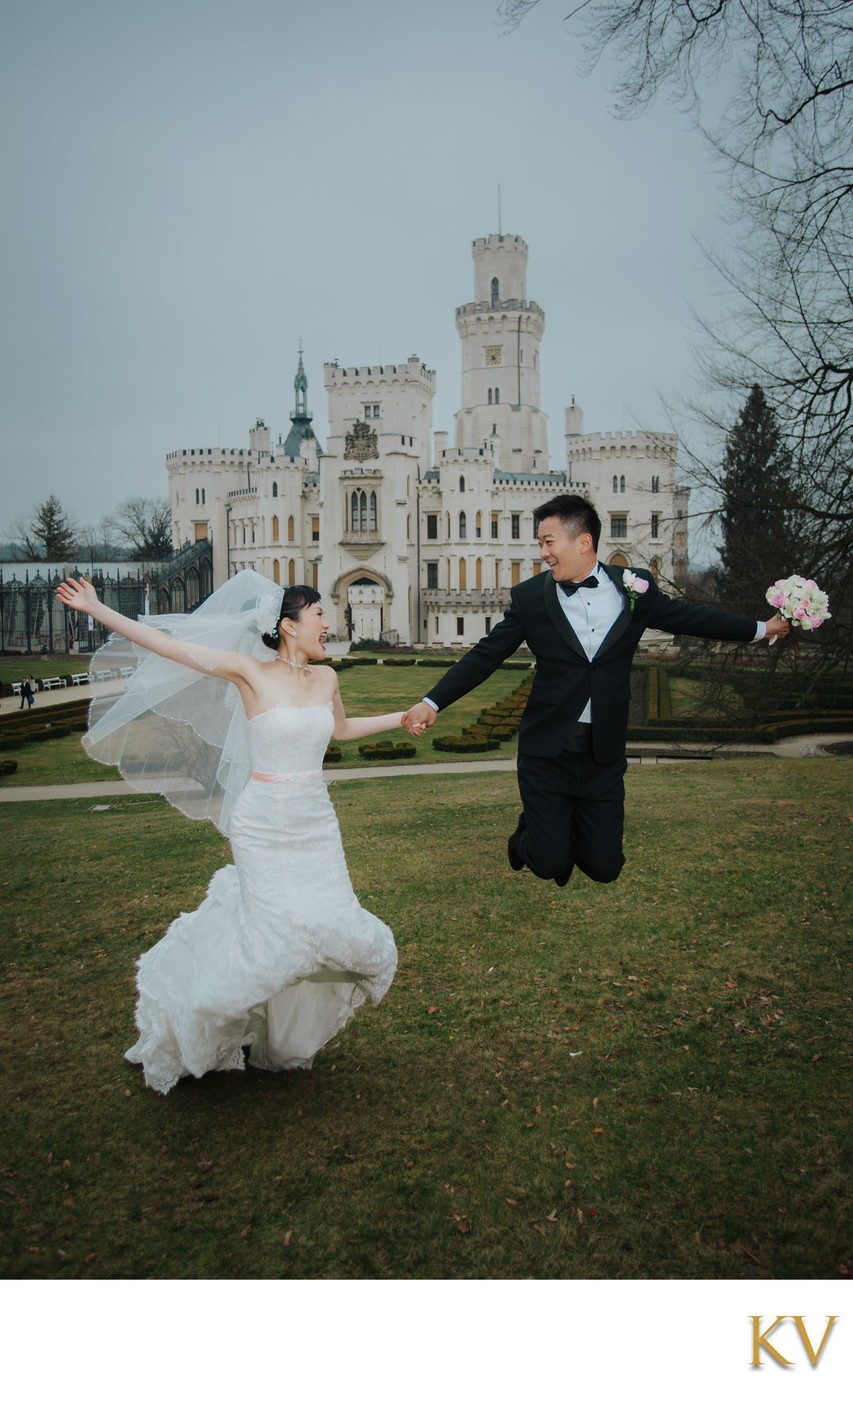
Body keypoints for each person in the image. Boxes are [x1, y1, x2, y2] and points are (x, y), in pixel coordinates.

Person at [57, 570, 404, 1095]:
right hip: (263, 821)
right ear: (289, 625)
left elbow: (343, 730)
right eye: (318, 615)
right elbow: (168, 647)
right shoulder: (248, 672)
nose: (328, 624)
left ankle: (282, 1034)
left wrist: (405, 716)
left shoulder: (327, 680)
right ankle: (205, 1012)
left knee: (327, 921)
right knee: (272, 934)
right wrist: (99, 609)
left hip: (314, 819)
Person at [402, 494, 790, 889]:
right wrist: (432, 702)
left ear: (583, 542)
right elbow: (487, 654)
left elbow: (693, 618)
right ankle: (528, 839)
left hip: (602, 755)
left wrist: (763, 628)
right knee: (546, 860)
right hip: (547, 752)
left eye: (548, 542)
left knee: (605, 868)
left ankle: (555, 836)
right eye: (540, 543)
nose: (542, 553)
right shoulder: (531, 598)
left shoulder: (634, 588)